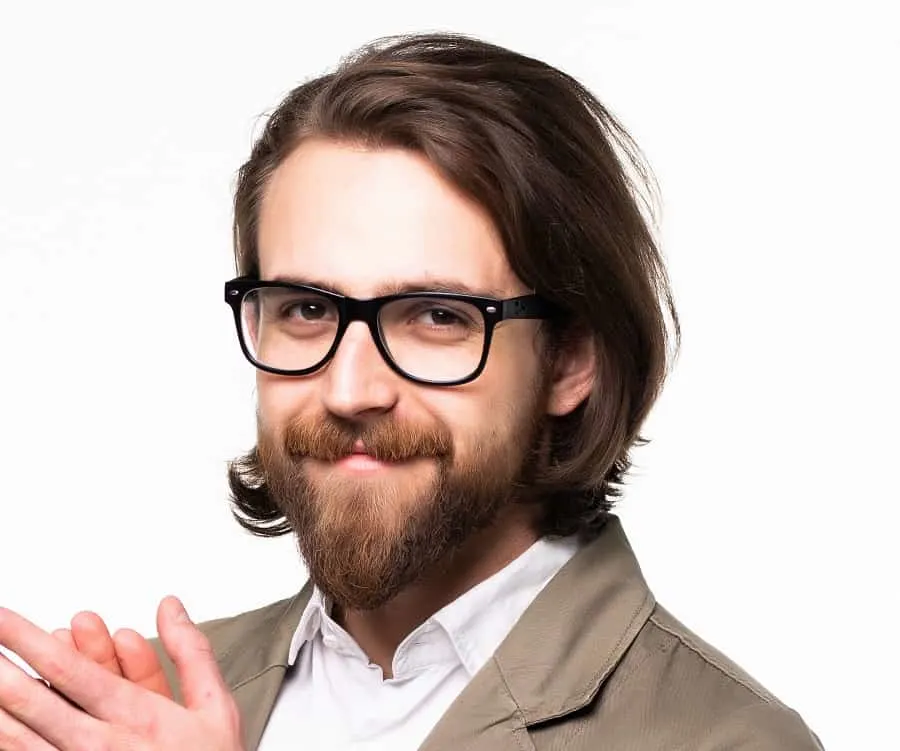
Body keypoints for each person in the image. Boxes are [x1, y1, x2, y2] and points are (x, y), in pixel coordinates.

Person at [0, 32, 823, 750]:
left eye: (436, 316)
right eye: (307, 309)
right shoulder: (136, 713)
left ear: (572, 360)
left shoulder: (727, 739)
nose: (351, 388)